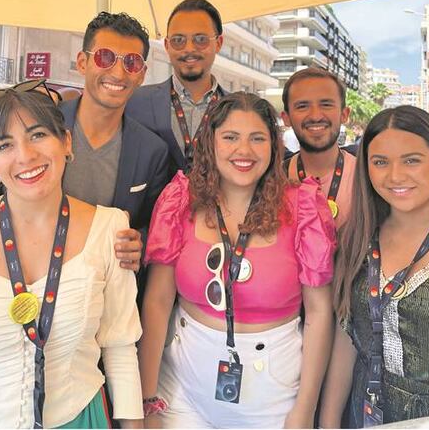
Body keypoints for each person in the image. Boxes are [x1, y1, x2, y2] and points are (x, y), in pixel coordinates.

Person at [138, 92, 337, 428]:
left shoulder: (303, 207)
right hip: (182, 385)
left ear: (273, 147)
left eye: (257, 139)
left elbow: (318, 313)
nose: (243, 151)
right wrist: (144, 397)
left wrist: (305, 409)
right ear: (210, 143)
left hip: (273, 393)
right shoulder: (181, 200)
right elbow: (158, 301)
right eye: (230, 137)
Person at [0, 89, 144, 428]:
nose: (25, 156)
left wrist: (133, 424)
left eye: (38, 135)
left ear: (67, 143)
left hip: (78, 417)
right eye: (4, 145)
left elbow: (119, 345)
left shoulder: (110, 229)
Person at [0, 13, 173, 266]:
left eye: (132, 63)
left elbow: (152, 226)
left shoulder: (152, 151)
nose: (118, 72)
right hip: (18, 274)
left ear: (142, 74)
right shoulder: (35, 127)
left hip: (95, 285)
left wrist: (140, 244)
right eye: (105, 58)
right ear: (82, 62)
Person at [319, 106, 429, 427]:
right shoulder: (357, 239)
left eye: (411, 160)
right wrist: (329, 421)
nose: (395, 176)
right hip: (364, 412)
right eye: (380, 162)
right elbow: (347, 340)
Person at [127, 0, 227, 176]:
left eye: (201, 39)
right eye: (178, 40)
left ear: (218, 43)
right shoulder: (134, 102)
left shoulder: (237, 109)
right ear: (166, 45)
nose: (189, 48)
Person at [280, 67, 359, 227]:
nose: (315, 116)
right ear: (286, 118)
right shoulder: (273, 181)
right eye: (302, 106)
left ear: (344, 114)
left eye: (326, 104)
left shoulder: (367, 178)